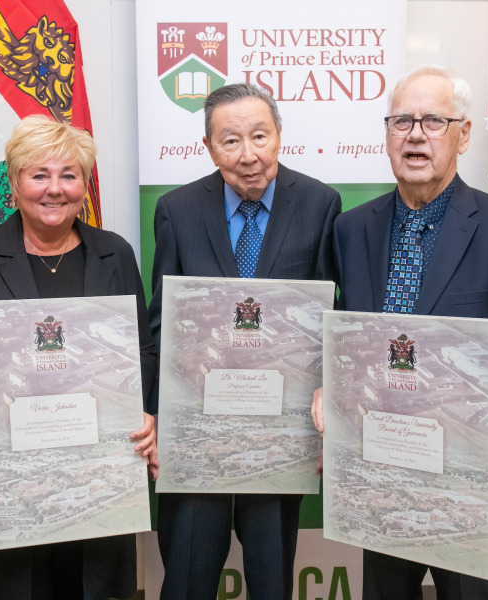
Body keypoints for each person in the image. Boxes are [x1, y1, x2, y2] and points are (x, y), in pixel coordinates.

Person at [311, 65, 488, 599]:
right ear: (386, 135)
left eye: (434, 121)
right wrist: (328, 381)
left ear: (462, 135)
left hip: (471, 484)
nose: (416, 134)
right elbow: (346, 337)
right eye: (401, 121)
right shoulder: (350, 230)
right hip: (379, 479)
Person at [0, 114, 158, 600]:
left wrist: (145, 411)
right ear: (14, 182)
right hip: (1, 485)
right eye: (39, 174)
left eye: (69, 175)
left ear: (85, 186)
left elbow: (142, 349)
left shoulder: (114, 254)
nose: (55, 189)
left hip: (95, 486)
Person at [149, 83, 341, 600]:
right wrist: (158, 419)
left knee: (271, 576)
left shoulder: (321, 204)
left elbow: (329, 324)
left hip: (282, 428)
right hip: (197, 427)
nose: (249, 155)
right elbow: (161, 324)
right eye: (230, 141)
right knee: (188, 573)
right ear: (208, 147)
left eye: (261, 135)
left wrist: (330, 413)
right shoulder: (177, 209)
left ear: (279, 136)